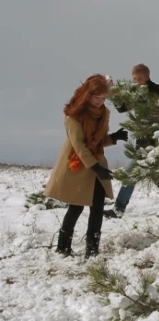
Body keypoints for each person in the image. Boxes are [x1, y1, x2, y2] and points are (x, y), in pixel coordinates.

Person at [44, 74, 129, 258]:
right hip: (77, 165)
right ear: (87, 95)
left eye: (103, 98)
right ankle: (63, 246)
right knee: (76, 207)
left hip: (95, 162)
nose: (100, 102)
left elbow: (97, 141)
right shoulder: (74, 115)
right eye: (96, 97)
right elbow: (79, 145)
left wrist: (113, 138)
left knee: (97, 207)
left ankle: (92, 250)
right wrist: (96, 167)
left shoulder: (104, 113)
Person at [103, 63, 159, 219]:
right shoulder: (134, 92)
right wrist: (112, 93)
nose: (137, 81)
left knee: (130, 175)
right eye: (135, 78)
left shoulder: (157, 90)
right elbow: (121, 108)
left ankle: (119, 209)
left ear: (147, 76)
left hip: (154, 140)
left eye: (140, 78)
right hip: (142, 141)